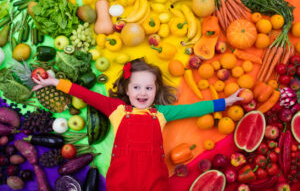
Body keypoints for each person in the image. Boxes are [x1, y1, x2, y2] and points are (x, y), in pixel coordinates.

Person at [32, 58, 243, 191]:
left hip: (155, 183)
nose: (143, 93)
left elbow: (193, 109)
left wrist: (227, 101)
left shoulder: (160, 113)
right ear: (127, 90)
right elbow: (86, 94)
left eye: (149, 88)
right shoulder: (116, 109)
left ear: (155, 90)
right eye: (137, 87)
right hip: (121, 183)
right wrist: (54, 82)